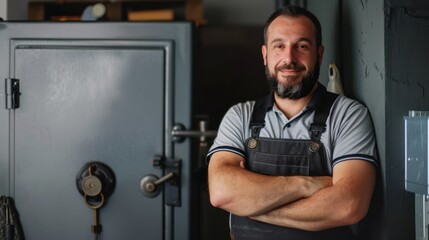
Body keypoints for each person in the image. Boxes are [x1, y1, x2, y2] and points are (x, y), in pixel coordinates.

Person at [206, 5, 378, 240]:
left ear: (319, 53)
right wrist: (306, 185)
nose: (289, 58)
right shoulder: (240, 116)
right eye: (279, 46)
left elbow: (348, 205)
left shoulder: (348, 115)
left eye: (302, 46)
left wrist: (252, 207)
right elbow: (221, 192)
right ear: (265, 55)